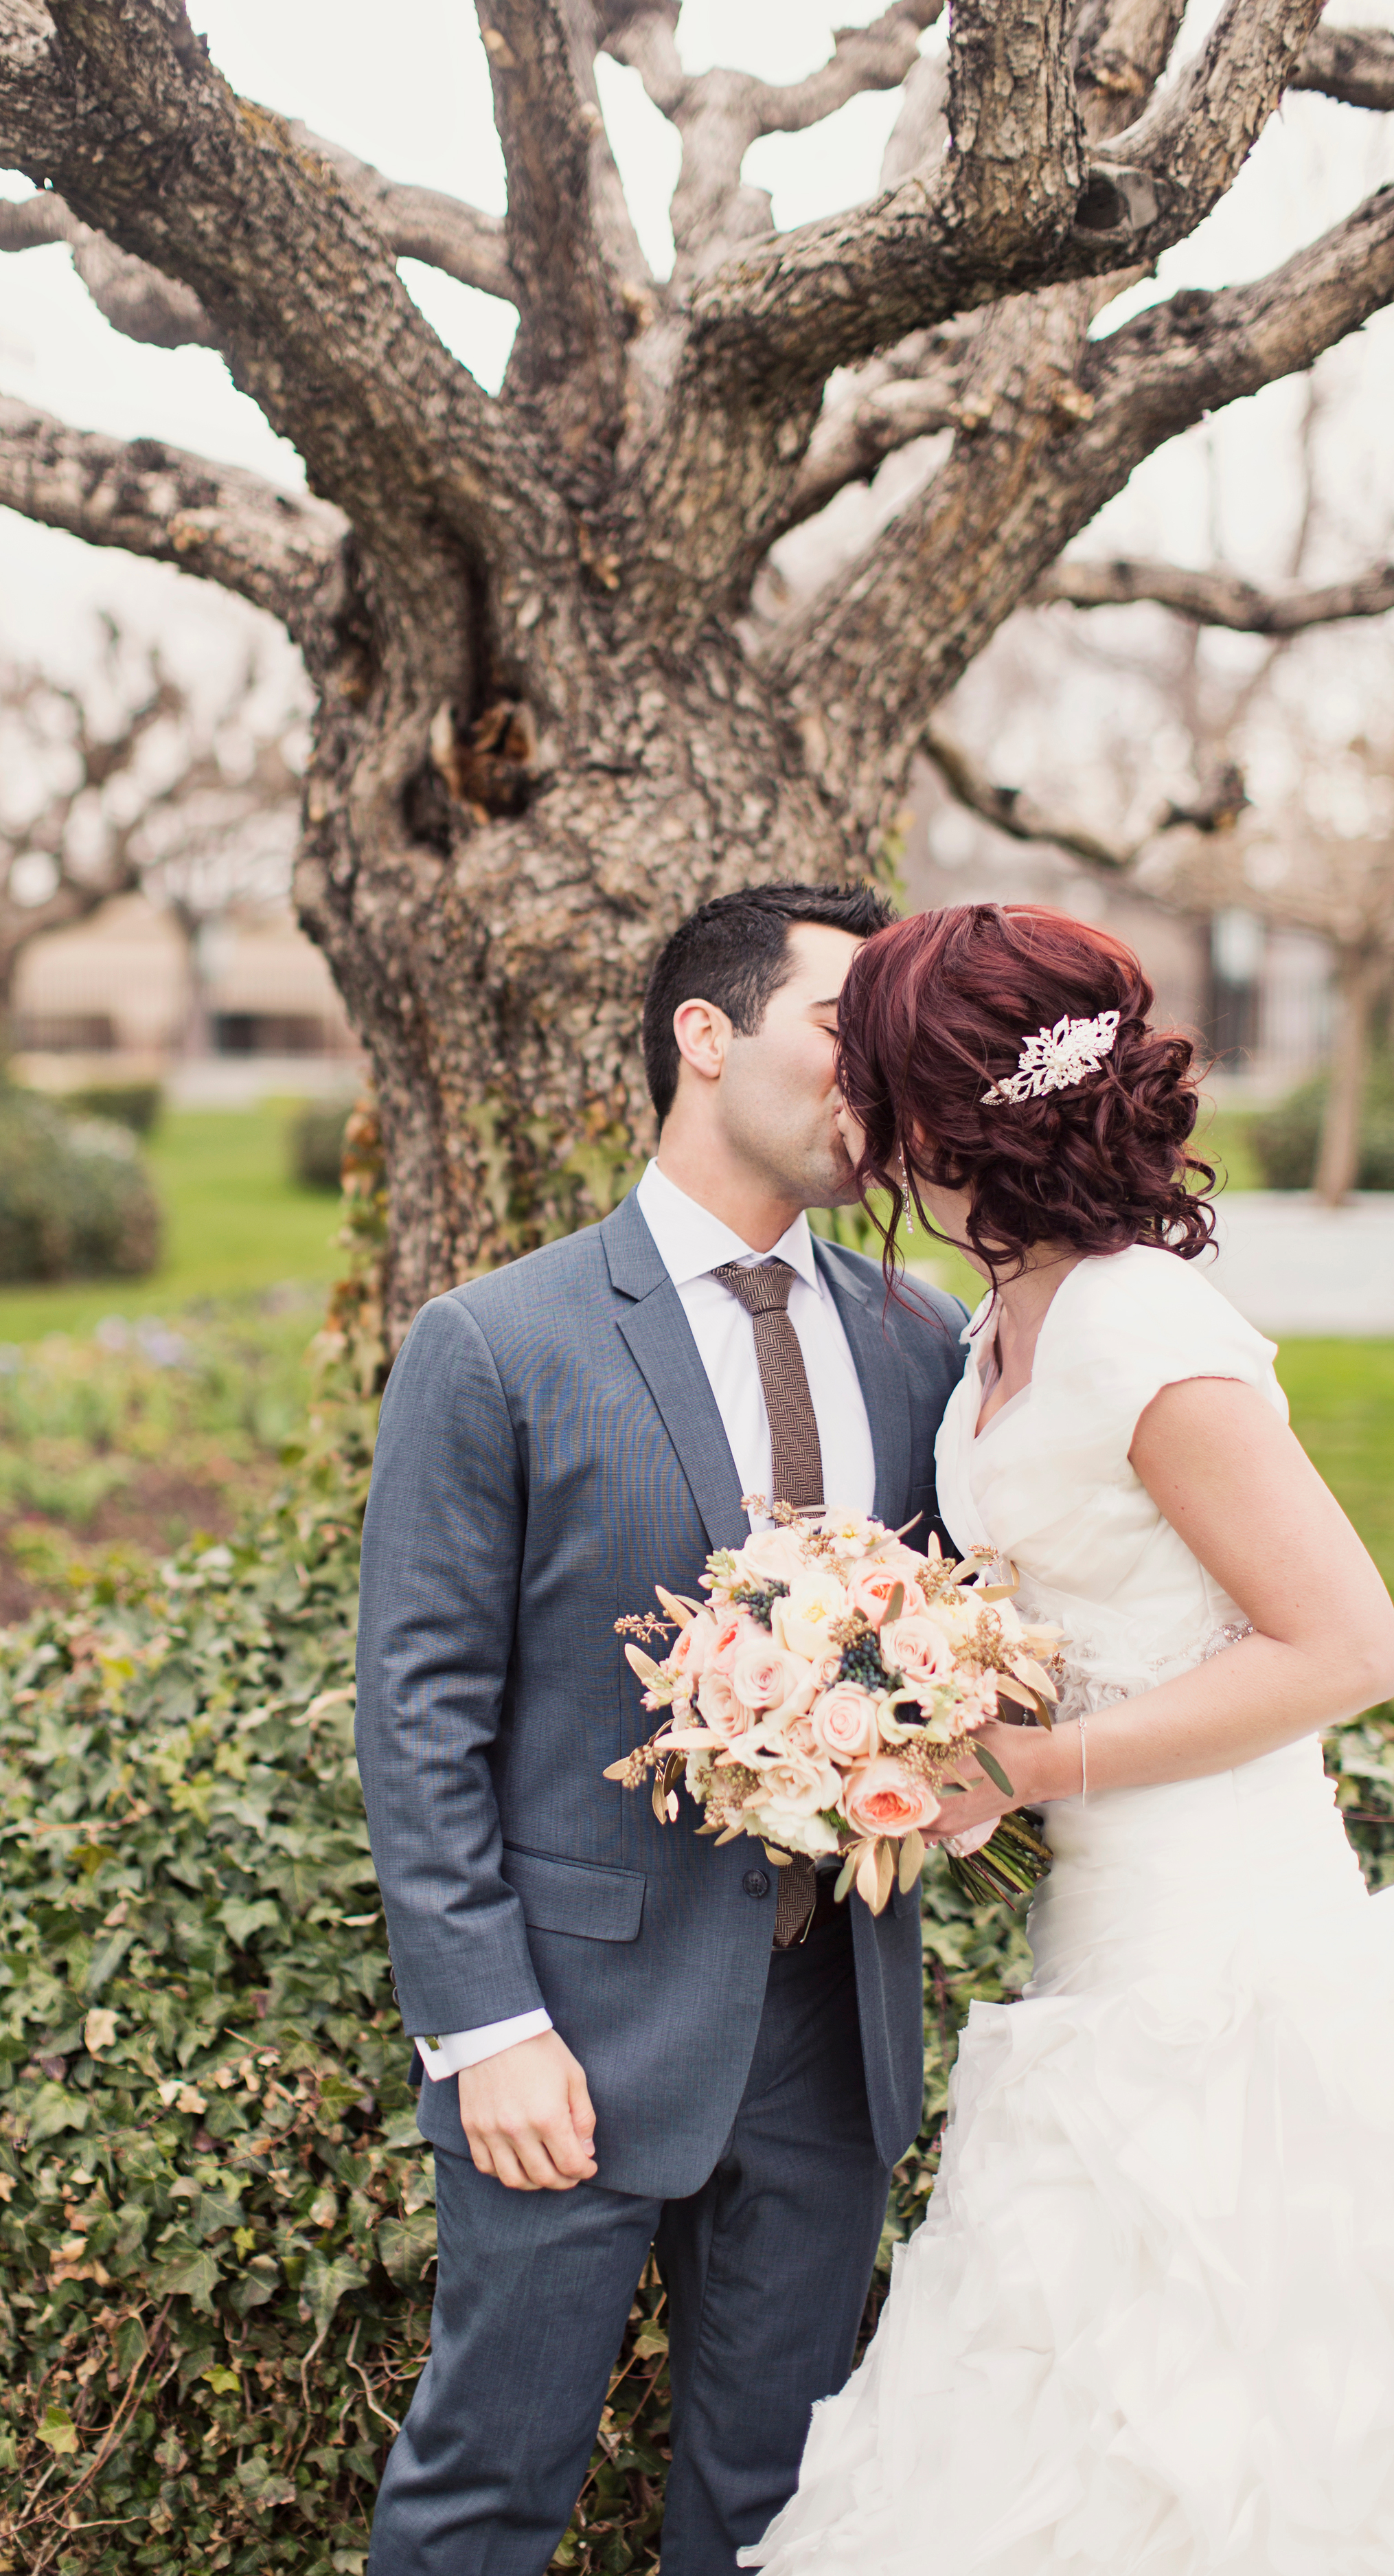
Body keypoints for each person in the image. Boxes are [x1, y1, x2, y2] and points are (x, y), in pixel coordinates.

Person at [748, 901, 1394, 2576]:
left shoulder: (1132, 1327)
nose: (845, 1103)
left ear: (937, 1113)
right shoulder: (997, 1321)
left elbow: (1343, 1642)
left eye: (865, 1067)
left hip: (1227, 1960)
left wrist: (1024, 1771)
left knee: (1197, 2415)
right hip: (1094, 1940)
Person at [354, 883, 971, 2576]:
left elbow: (963, 1652)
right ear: (702, 1037)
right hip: (573, 2030)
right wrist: (484, 2030)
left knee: (775, 2503)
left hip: (830, 2031)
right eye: (847, 1028)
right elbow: (418, 1718)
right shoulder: (495, 1342)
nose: (883, 1071)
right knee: (488, 2482)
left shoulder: (923, 1343)